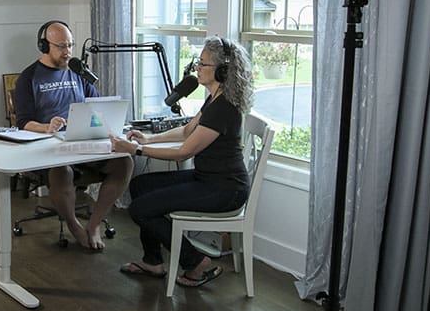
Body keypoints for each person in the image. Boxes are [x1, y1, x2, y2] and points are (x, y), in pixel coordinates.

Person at [108, 36, 253, 287]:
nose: (197, 67)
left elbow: (183, 153)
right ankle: (153, 262)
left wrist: (137, 150)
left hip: (225, 190)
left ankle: (195, 262)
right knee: (140, 186)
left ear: (221, 70)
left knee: (140, 209)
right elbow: (187, 131)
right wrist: (149, 140)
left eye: (203, 63)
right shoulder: (214, 98)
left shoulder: (223, 107)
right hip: (208, 179)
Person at [13, 20, 133, 250]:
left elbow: (96, 107)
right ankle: (74, 225)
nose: (68, 52)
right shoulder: (29, 78)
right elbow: (23, 123)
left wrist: (110, 126)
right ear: (44, 46)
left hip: (83, 143)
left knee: (124, 163)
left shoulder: (78, 73)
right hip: (49, 149)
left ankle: (94, 224)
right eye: (61, 46)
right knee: (61, 171)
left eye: (70, 45)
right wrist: (47, 127)